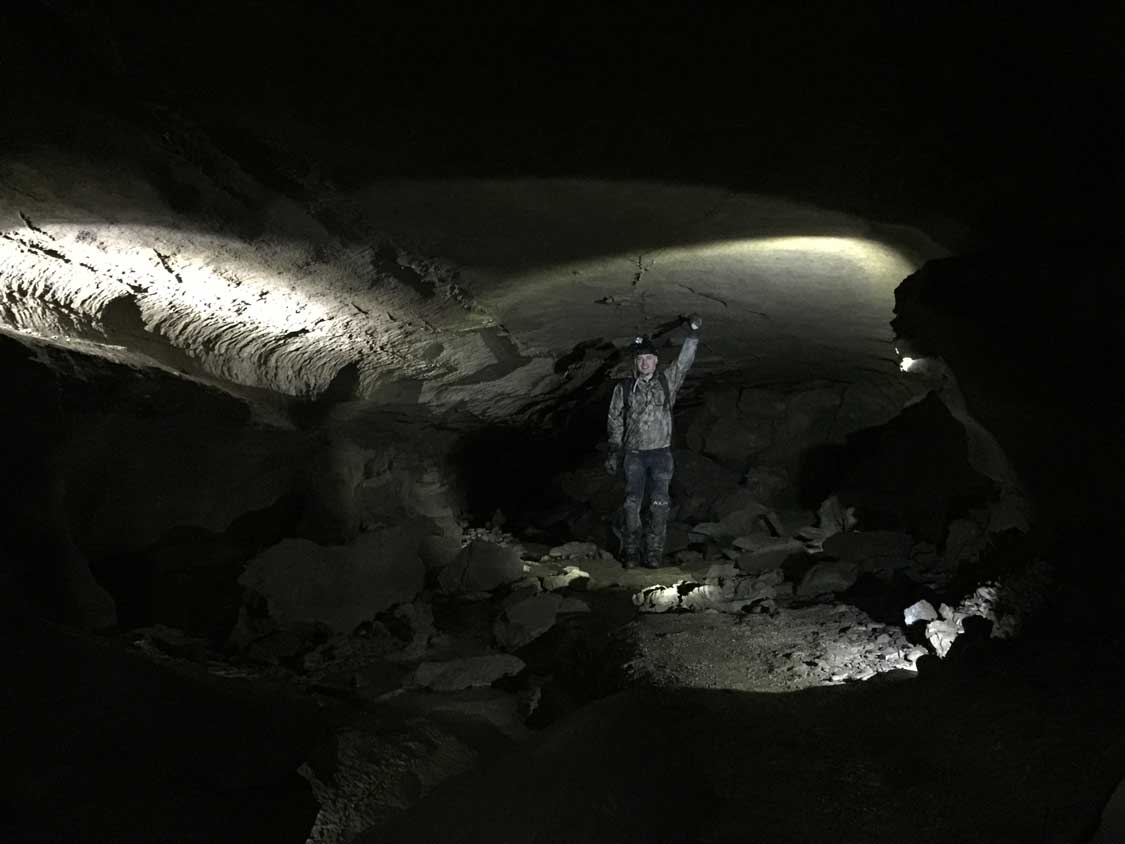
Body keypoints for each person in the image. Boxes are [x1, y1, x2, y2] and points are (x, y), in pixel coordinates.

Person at [605, 314, 702, 567]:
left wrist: (692, 334)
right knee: (631, 505)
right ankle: (631, 554)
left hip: (661, 455)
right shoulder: (623, 389)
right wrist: (614, 450)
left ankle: (653, 555)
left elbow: (683, 363)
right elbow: (615, 419)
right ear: (636, 363)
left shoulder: (666, 381)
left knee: (659, 505)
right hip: (634, 455)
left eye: (648, 358)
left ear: (656, 361)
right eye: (640, 359)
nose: (644, 363)